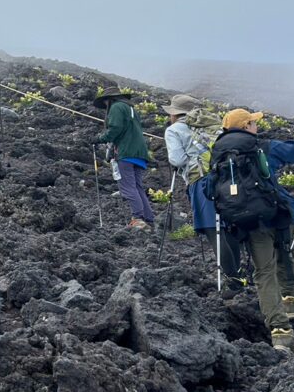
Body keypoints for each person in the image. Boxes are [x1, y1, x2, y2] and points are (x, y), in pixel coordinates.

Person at [207, 109, 294, 354]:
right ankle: (287, 318)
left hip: (244, 220)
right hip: (273, 213)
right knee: (283, 254)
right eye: (254, 122)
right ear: (247, 125)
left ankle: (282, 329)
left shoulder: (217, 153)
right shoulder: (261, 146)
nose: (256, 126)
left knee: (264, 271)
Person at [163, 94, 245, 292]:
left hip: (201, 182)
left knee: (212, 228)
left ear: (175, 114)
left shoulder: (174, 130)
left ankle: (232, 279)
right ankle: (241, 274)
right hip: (227, 179)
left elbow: (177, 160)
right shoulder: (211, 125)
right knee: (227, 226)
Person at [93, 86, 155, 229]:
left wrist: (99, 138)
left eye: (105, 104)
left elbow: (115, 129)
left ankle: (138, 219)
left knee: (127, 187)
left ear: (109, 100)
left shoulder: (116, 107)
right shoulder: (131, 109)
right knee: (138, 187)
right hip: (140, 153)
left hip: (126, 152)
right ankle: (148, 220)